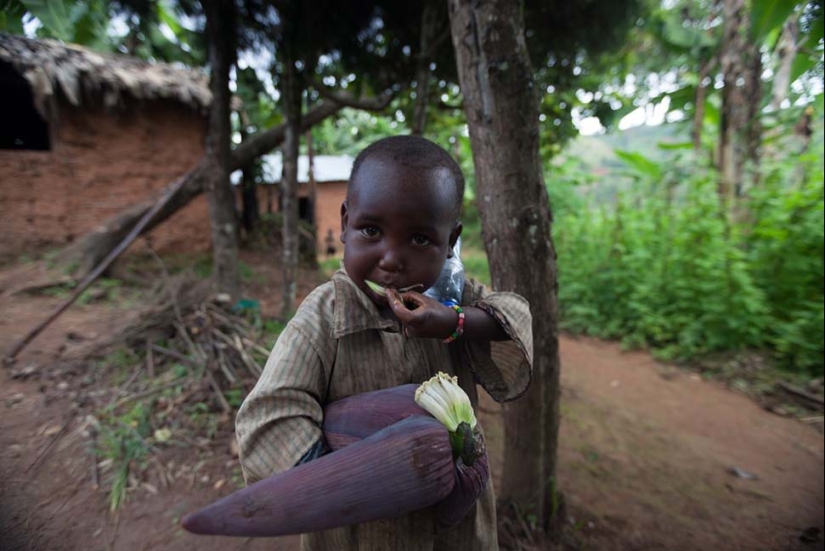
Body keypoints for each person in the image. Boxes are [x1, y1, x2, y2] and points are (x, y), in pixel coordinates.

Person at [236, 135, 533, 551]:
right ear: (344, 223)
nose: (391, 258)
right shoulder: (325, 315)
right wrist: (353, 479)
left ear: (450, 241)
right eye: (371, 230)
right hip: (355, 533)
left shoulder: (451, 298)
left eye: (419, 239)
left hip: (454, 531)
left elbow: (514, 317)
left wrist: (454, 321)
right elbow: (268, 417)